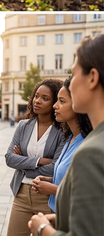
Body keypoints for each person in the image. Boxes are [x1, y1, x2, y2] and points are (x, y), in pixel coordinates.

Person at [28, 35, 104, 236]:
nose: (70, 83)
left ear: (93, 78)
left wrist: (42, 228)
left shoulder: (93, 151)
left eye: (74, 74)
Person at [4, 79, 64, 236]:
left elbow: (54, 168)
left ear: (55, 103)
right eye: (36, 96)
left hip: (46, 197)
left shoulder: (61, 131)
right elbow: (10, 158)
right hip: (21, 194)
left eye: (45, 98)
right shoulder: (24, 125)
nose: (37, 101)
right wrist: (39, 161)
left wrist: (23, 165)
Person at [31, 76, 93, 212]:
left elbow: (90, 195)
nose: (55, 105)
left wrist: (53, 189)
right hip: (59, 214)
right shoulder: (70, 137)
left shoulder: (88, 144)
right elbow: (73, 179)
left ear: (78, 105)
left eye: (62, 101)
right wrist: (51, 179)